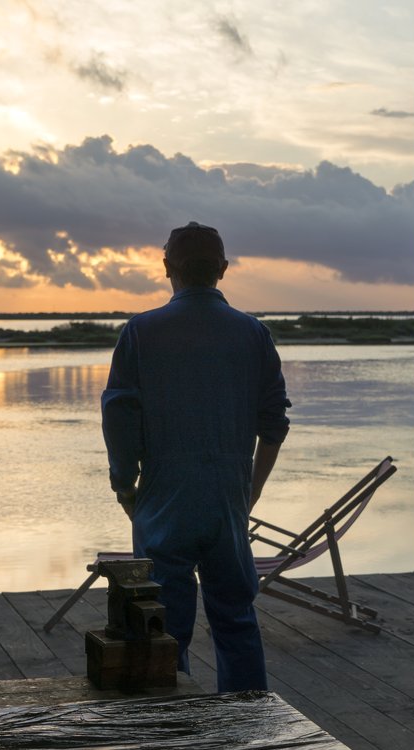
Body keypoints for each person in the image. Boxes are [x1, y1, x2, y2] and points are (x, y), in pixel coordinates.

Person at [101, 221, 291, 692]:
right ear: (223, 269)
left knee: (163, 629)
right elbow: (274, 424)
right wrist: (251, 490)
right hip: (227, 497)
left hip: (164, 497)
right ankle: (247, 728)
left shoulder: (142, 331)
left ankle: (175, 737)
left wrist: (126, 486)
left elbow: (120, 416)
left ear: (167, 268)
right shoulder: (253, 333)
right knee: (236, 621)